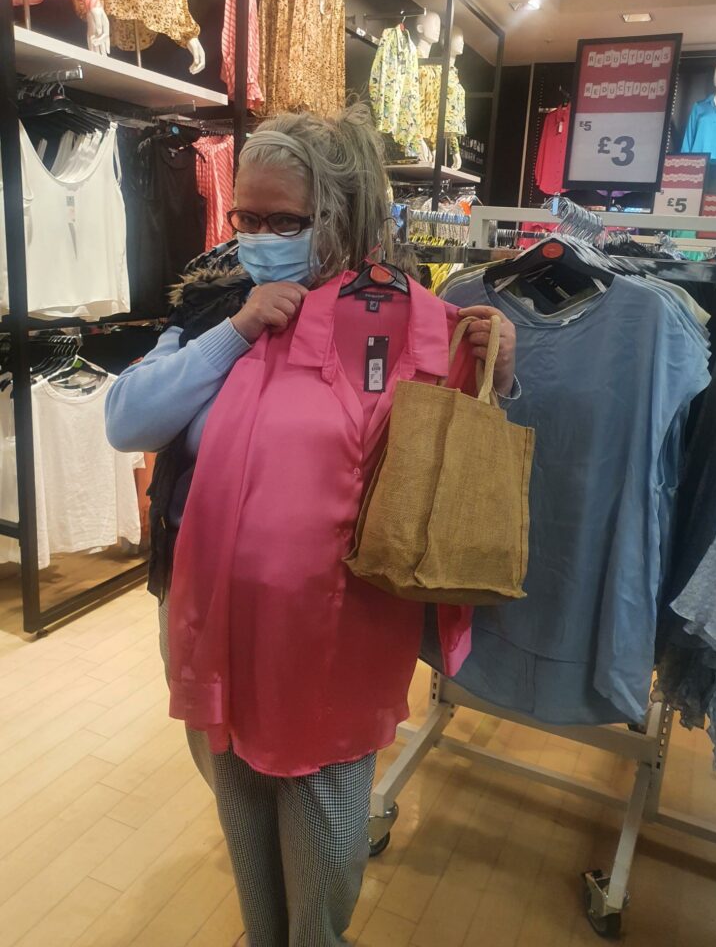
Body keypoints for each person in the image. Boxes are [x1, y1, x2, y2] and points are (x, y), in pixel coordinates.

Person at [105, 103, 518, 947]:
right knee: (232, 780)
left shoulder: (406, 319)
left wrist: (494, 376)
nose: (257, 237)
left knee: (322, 813)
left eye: (282, 221)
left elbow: (441, 456)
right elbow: (126, 419)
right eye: (244, 217)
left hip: (333, 629)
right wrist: (235, 332)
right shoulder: (216, 297)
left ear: (341, 214)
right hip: (203, 602)